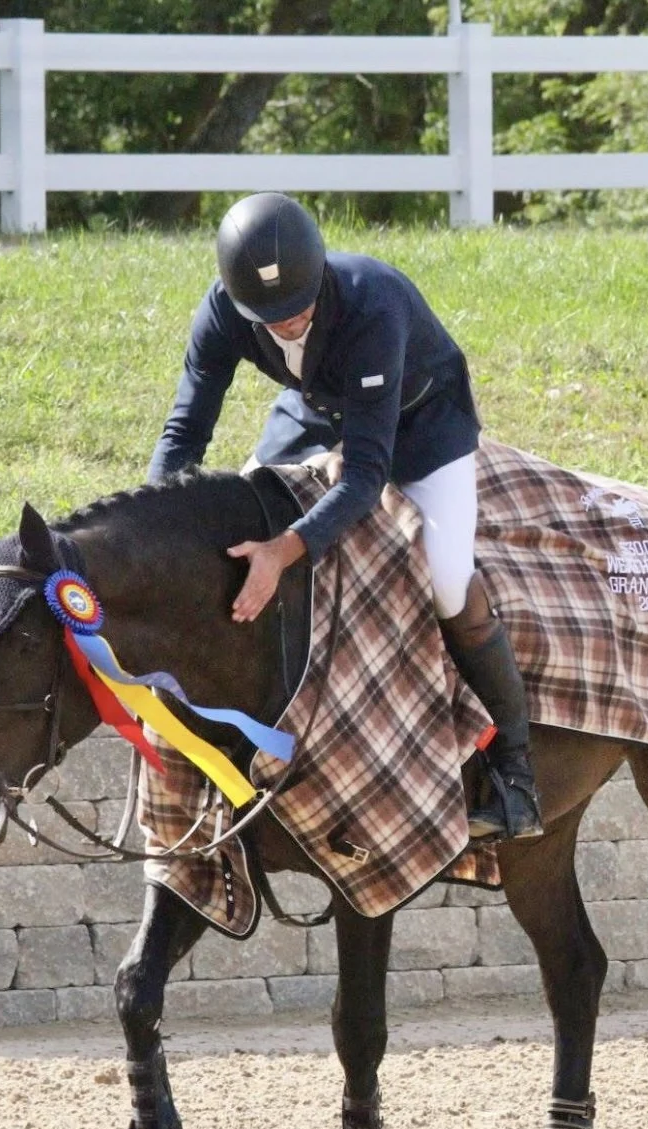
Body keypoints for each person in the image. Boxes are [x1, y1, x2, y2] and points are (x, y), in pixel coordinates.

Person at [147, 192, 541, 842]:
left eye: (300, 306)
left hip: (422, 426)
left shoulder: (371, 303)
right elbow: (186, 428)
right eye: (271, 317)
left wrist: (284, 551)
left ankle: (516, 775)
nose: (291, 323)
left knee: (445, 574)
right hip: (314, 410)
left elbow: (364, 475)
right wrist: (158, 520)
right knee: (240, 524)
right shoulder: (222, 311)